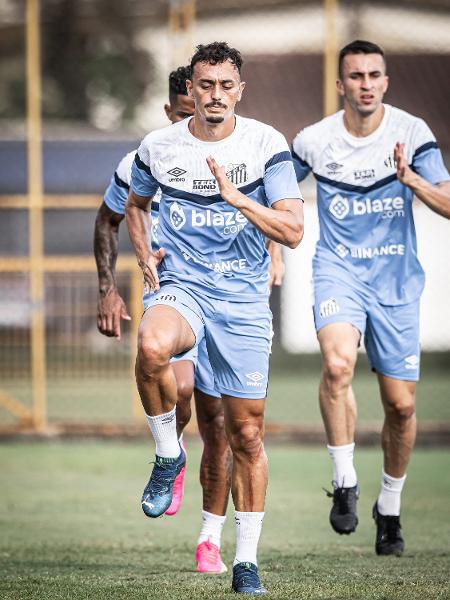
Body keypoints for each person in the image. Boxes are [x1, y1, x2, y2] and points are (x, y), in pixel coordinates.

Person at [125, 42, 303, 594]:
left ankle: (245, 559)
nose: (215, 96)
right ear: (191, 91)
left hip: (244, 301)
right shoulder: (159, 146)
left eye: (226, 86)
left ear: (240, 91)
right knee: (152, 348)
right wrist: (141, 250)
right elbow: (134, 204)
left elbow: (292, 231)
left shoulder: (266, 144)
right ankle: (167, 453)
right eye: (206, 86)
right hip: (183, 286)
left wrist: (239, 199)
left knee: (246, 433)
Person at [292, 40, 450, 556]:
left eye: (373, 75)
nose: (364, 83)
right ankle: (344, 481)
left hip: (396, 281)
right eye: (354, 75)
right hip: (338, 272)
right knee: (338, 366)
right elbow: (275, 197)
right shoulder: (313, 141)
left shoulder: (412, 133)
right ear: (340, 84)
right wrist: (269, 247)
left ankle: (390, 506)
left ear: (385, 82)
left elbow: (447, 201)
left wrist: (410, 181)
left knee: (400, 407)